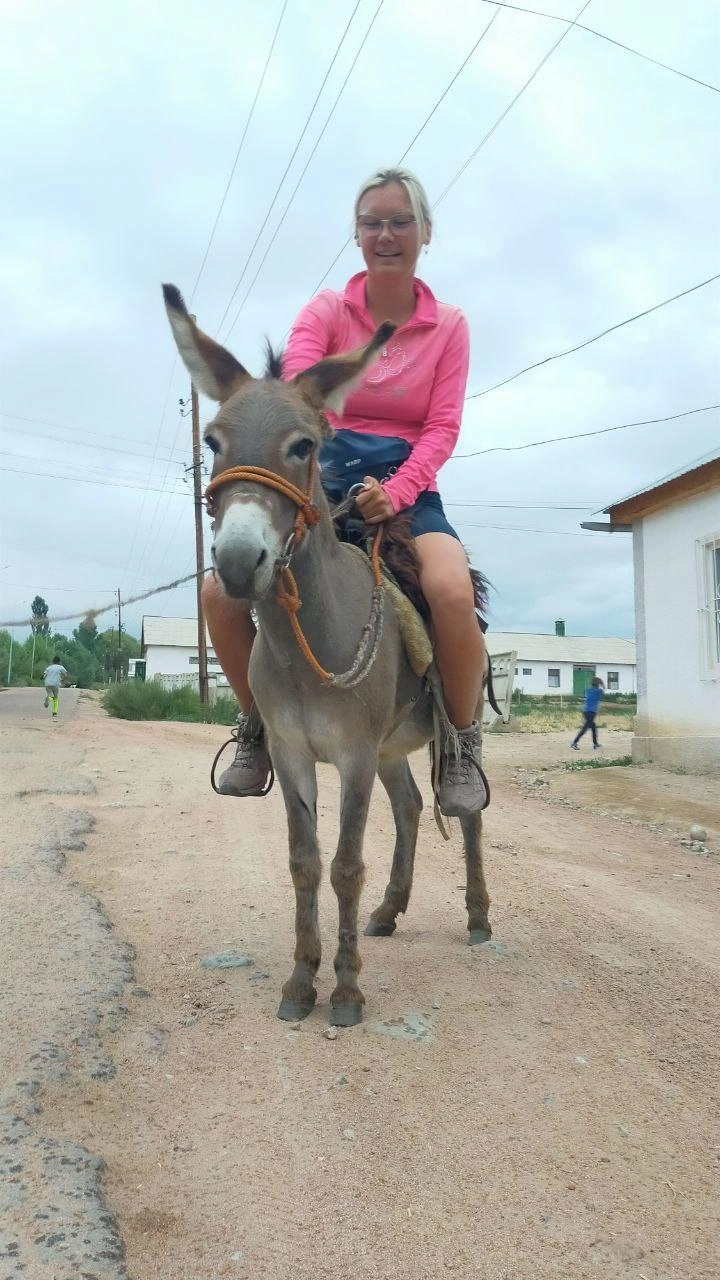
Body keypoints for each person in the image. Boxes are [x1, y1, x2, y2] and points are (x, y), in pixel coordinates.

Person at [203, 166, 488, 816]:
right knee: (221, 592)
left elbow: (442, 426)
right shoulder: (327, 310)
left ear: (424, 232)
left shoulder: (450, 325)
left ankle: (461, 742)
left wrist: (398, 489)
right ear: (357, 235)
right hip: (321, 480)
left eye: (400, 221)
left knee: (450, 591)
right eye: (372, 223)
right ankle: (256, 727)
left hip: (410, 489)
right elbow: (300, 396)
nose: (386, 234)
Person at [570, 677, 605, 750]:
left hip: (585, 711)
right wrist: (603, 684)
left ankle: (595, 743)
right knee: (585, 728)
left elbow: (586, 700)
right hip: (592, 712)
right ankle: (574, 742)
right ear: (598, 684)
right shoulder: (599, 691)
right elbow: (602, 693)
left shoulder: (588, 690)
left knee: (593, 727)